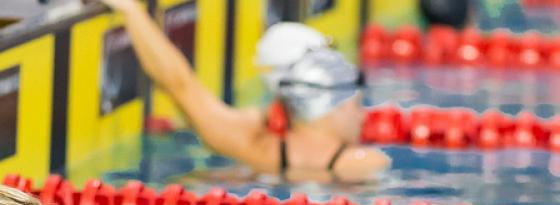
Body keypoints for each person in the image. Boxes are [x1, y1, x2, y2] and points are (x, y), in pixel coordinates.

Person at [96, 0, 390, 183]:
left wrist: (130, 9)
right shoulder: (361, 164)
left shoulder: (255, 148)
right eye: (356, 104)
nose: (363, 117)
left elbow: (180, 84)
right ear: (331, 103)